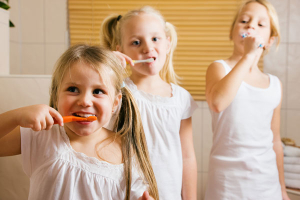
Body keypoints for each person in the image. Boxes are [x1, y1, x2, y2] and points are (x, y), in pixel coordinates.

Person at [0, 44, 159, 200]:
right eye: (73, 89)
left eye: (98, 91)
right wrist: (17, 116)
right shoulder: (42, 135)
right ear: (56, 96)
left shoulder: (127, 151)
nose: (84, 101)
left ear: (115, 103)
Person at [100, 6, 198, 200]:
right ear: (121, 51)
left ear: (168, 44)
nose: (147, 48)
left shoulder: (181, 98)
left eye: (155, 39)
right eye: (136, 42)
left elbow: (187, 157)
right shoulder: (118, 93)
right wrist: (108, 66)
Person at [204, 0, 290, 199]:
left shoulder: (274, 85)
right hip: (227, 184)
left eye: (260, 24)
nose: (251, 26)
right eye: (244, 21)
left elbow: (275, 141)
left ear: (270, 40)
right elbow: (218, 103)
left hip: (267, 185)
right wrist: (249, 56)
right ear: (232, 32)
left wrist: (283, 189)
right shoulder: (219, 68)